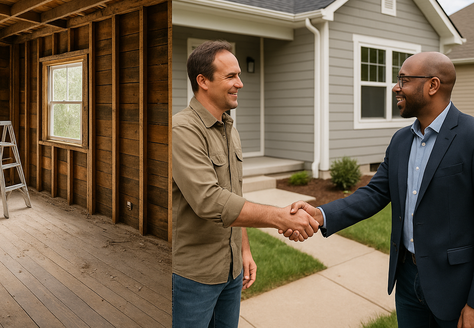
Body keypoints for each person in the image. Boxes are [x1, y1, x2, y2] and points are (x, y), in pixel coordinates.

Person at [285, 52, 474, 327]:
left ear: (433, 86)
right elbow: (374, 193)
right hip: (407, 279)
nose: (396, 87)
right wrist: (320, 214)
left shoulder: (470, 136)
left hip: (455, 284)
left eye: (404, 80)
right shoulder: (400, 141)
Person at [172, 40, 320, 328]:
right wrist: (278, 216)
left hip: (231, 271)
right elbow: (210, 201)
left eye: (239, 75)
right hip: (194, 277)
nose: (240, 83)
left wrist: (244, 250)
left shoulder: (229, 128)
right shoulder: (183, 130)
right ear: (202, 81)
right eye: (231, 76)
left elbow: (233, 196)